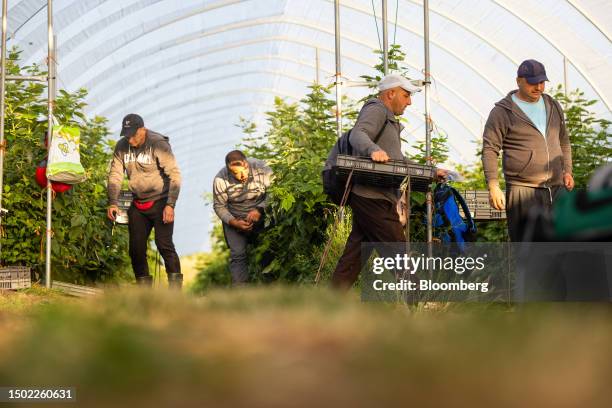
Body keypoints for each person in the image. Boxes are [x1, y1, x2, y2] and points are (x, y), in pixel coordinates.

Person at [330, 74, 438, 289]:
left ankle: (332, 299)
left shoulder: (389, 120)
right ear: (391, 93)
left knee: (355, 256)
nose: (410, 102)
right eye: (406, 95)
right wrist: (374, 150)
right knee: (397, 248)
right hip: (372, 196)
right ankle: (416, 299)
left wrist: (433, 172)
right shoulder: (377, 109)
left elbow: (397, 160)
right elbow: (358, 134)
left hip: (372, 196)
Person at [482, 59, 574, 241]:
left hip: (556, 189)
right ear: (519, 81)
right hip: (523, 190)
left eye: (542, 82)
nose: (539, 87)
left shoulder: (553, 105)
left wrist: (567, 171)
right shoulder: (503, 111)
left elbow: (563, 141)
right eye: (533, 82)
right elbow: (490, 149)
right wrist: (493, 185)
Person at [107, 113, 183, 288]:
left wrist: (170, 205)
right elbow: (115, 175)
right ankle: (144, 294)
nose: (130, 139)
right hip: (138, 203)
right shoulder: (122, 147)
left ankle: (175, 291)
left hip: (161, 202)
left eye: (133, 134)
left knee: (164, 245)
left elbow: (175, 175)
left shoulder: (158, 144)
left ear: (143, 129)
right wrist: (112, 201)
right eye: (127, 135)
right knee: (136, 249)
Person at [213, 150, 272, 285]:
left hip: (261, 216)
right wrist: (234, 222)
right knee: (238, 255)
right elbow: (219, 206)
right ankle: (240, 291)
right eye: (234, 173)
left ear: (246, 165)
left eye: (241, 172)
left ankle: (271, 286)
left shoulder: (262, 168)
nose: (239, 177)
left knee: (267, 250)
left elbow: (273, 193)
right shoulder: (220, 179)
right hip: (235, 220)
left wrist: (260, 209)